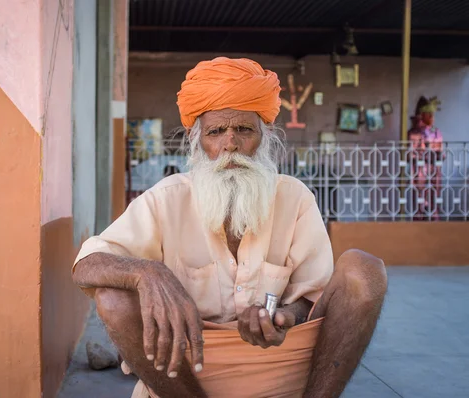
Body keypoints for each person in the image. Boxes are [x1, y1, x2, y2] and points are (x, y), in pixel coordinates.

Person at [72, 57, 387, 398]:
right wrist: (146, 273)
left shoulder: (294, 198)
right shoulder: (167, 199)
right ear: (198, 143)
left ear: (263, 139)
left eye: (244, 130)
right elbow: (86, 265)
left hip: (282, 368)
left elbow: (313, 297)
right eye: (216, 132)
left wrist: (281, 315)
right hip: (188, 374)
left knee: (364, 270)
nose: (231, 144)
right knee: (114, 298)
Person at [408, 96, 444, 220]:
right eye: (430, 115)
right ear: (423, 115)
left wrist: (435, 153)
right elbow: (411, 152)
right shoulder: (414, 132)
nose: (432, 118)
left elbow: (440, 151)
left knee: (434, 194)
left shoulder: (436, 131)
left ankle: (434, 217)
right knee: (419, 194)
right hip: (419, 168)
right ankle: (419, 218)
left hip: (434, 167)